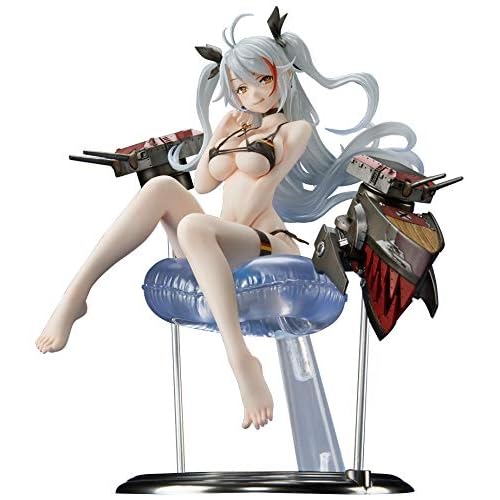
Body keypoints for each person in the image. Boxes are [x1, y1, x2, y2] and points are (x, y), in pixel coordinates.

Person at [36, 7, 422, 430]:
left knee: (193, 225)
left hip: (265, 240)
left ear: (282, 76)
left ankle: (241, 362)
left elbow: (261, 182)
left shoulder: (292, 130)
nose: (252, 95)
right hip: (217, 239)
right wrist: (219, 136)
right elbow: (203, 184)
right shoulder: (230, 125)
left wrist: (242, 143)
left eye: (261, 80)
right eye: (240, 87)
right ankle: (75, 296)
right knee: (161, 188)